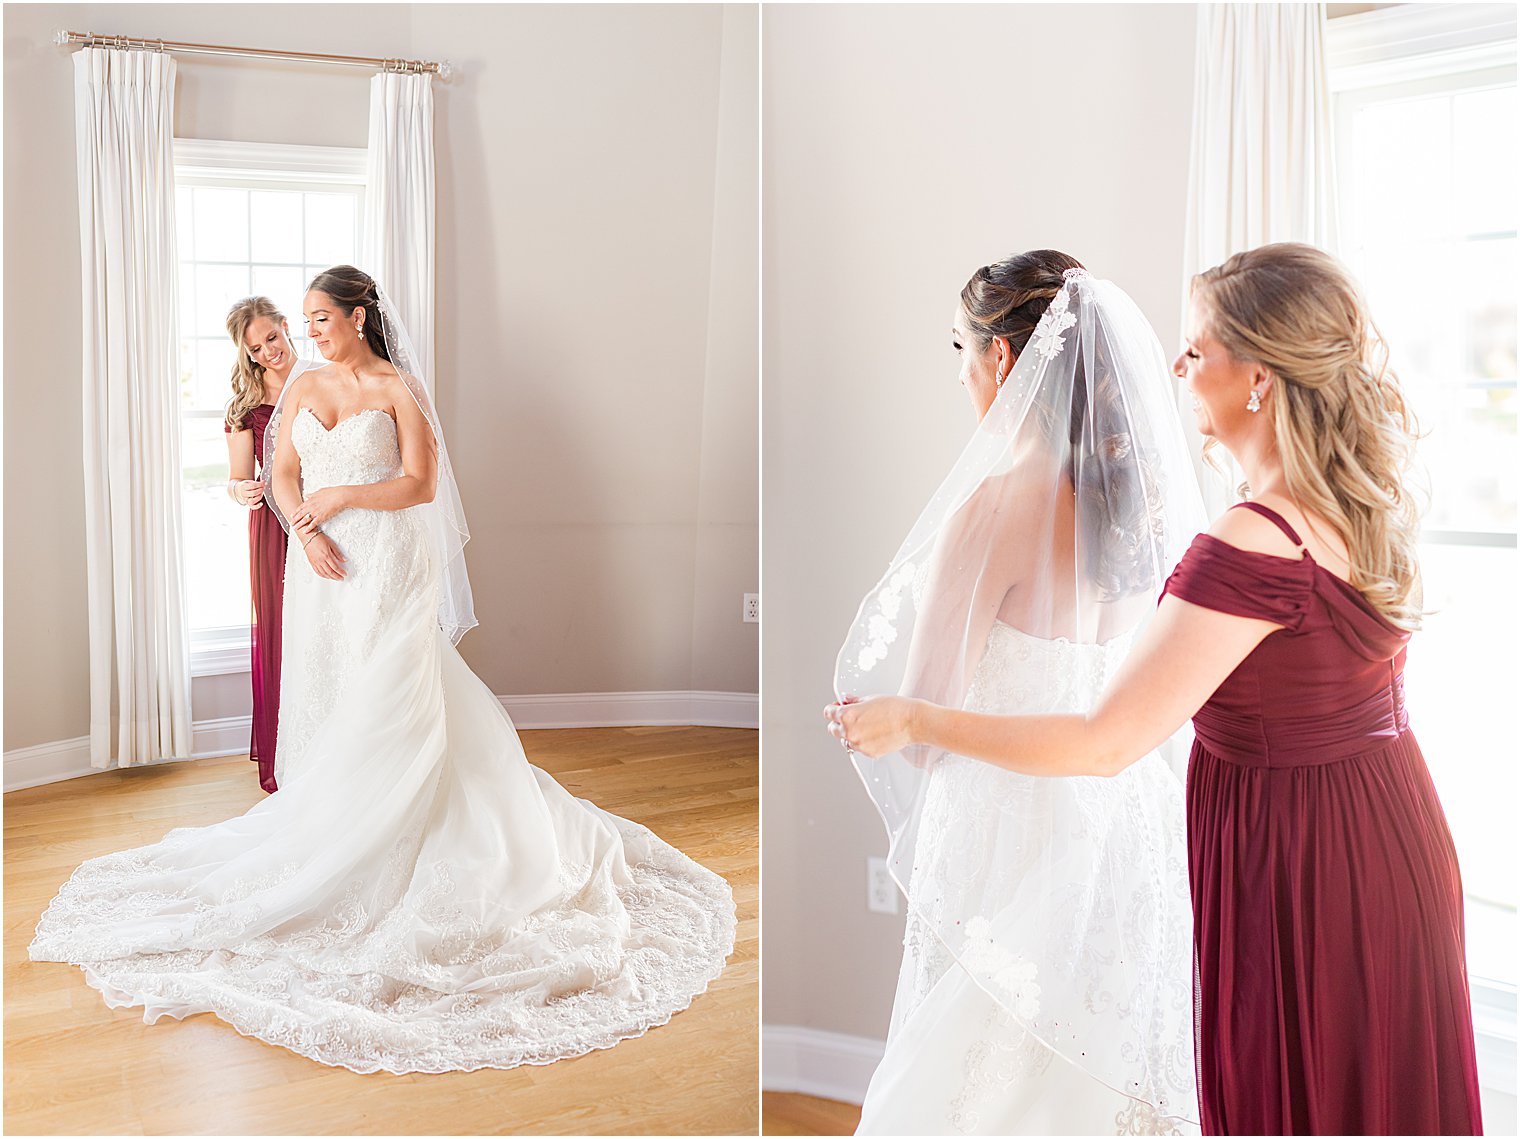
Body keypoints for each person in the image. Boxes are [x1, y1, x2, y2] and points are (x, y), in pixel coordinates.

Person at [829, 243, 1483, 1135]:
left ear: (1258, 377)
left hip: (1306, 862)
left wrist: (912, 716)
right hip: (1381, 832)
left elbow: (1104, 741)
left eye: (1199, 349)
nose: (1175, 367)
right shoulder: (1347, 511)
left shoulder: (1252, 542)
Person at [31, 266, 736, 1075]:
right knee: (333, 692)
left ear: (358, 315)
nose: (311, 331)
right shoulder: (300, 388)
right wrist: (306, 523)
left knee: (396, 693)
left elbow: (421, 483)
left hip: (390, 561)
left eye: (321, 317)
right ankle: (332, 827)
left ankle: (403, 833)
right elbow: (283, 470)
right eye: (305, 320)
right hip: (322, 567)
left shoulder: (397, 386)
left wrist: (342, 501)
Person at [836, 251, 1205, 1134]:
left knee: (983, 1076)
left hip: (1008, 831)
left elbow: (922, 730)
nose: (960, 371)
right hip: (1126, 827)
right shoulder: (1143, 508)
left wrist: (884, 723)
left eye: (961, 347)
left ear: (1003, 360)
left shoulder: (991, 512)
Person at [223, 296, 310, 792]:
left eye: (271, 339)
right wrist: (243, 490)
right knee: (281, 627)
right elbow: (236, 478)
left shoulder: (320, 379)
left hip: (321, 514)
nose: (267, 353)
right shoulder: (244, 402)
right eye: (255, 349)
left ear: (284, 326)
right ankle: (286, 754)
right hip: (271, 528)